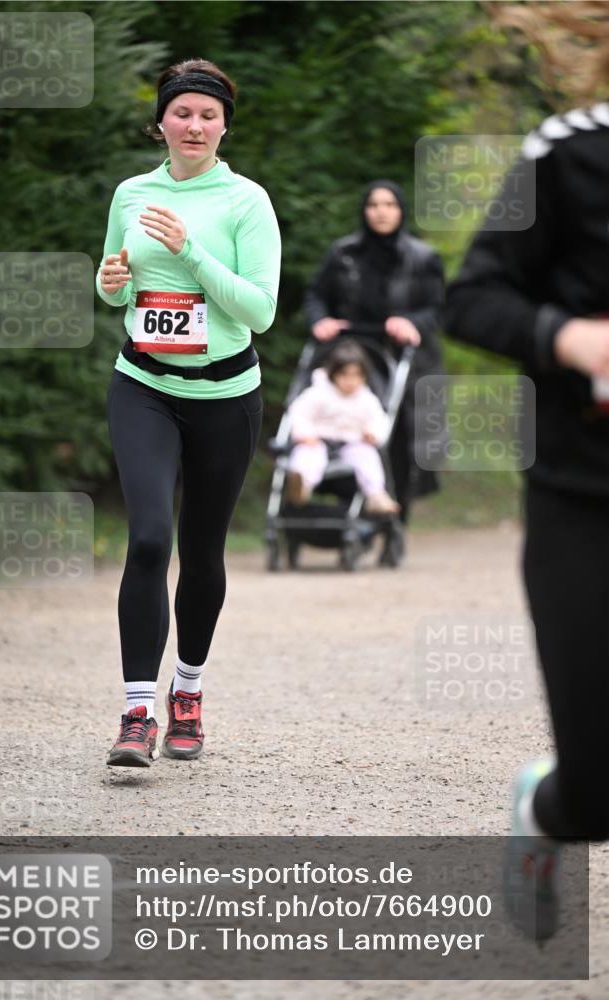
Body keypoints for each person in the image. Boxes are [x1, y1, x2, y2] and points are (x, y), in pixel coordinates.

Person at [444, 20, 609, 935]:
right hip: (585, 501)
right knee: (598, 795)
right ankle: (546, 814)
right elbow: (470, 295)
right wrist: (566, 337)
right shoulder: (570, 154)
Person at [96, 58, 281, 767]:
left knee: (200, 554)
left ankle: (189, 692)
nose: (194, 125)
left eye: (207, 114)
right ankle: (137, 711)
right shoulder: (130, 192)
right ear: (161, 122)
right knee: (147, 539)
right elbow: (117, 287)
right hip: (142, 385)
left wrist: (191, 250)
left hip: (225, 397)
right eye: (182, 113)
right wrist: (110, 280)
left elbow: (258, 309)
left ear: (223, 124)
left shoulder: (245, 202)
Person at [304, 180, 445, 522]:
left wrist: (412, 323)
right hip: (351, 355)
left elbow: (439, 307)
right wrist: (320, 319)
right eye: (373, 205)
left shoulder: (423, 258)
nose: (381, 212)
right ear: (364, 211)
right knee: (341, 423)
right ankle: (344, 504)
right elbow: (317, 294)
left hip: (404, 359)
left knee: (398, 437)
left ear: (401, 210)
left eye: (389, 205)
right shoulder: (343, 253)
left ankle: (396, 516)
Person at [286, 340, 400, 515]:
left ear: (364, 376)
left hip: (353, 442)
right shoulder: (318, 393)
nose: (351, 381)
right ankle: (301, 487)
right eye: (345, 375)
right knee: (306, 457)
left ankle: (376, 495)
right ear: (333, 374)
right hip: (318, 440)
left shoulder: (367, 399)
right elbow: (299, 413)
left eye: (356, 375)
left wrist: (374, 434)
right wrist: (304, 434)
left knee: (368, 457)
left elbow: (379, 420)